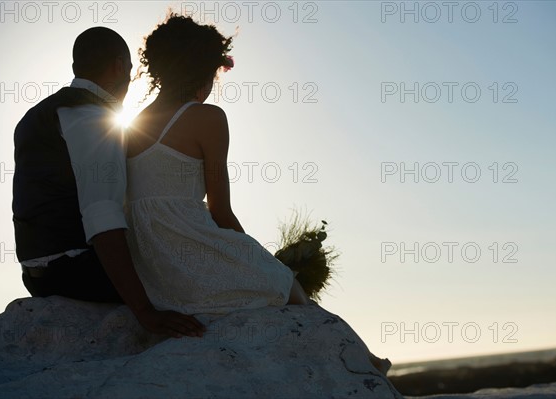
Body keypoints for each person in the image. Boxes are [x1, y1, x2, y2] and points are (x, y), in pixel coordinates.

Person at [124, 13, 390, 373]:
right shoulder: (208, 117)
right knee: (285, 283)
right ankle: (361, 362)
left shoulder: (128, 127)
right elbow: (220, 212)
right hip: (188, 251)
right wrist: (261, 260)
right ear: (204, 70)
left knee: (278, 278)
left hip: (149, 265)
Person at [12, 26, 205, 339]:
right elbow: (103, 220)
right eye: (129, 69)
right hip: (75, 272)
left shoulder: (39, 115)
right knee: (201, 273)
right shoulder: (93, 119)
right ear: (118, 66)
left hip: (37, 274)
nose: (129, 78)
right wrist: (145, 312)